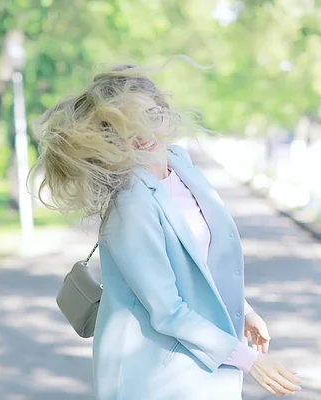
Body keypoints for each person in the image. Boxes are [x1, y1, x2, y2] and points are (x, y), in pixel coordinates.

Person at [32, 63, 302, 399]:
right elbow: (168, 311)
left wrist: (244, 310)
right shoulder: (130, 205)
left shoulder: (181, 165)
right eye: (125, 126)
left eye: (151, 116)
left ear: (166, 114)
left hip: (199, 365)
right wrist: (250, 361)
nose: (142, 134)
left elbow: (201, 264)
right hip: (154, 376)